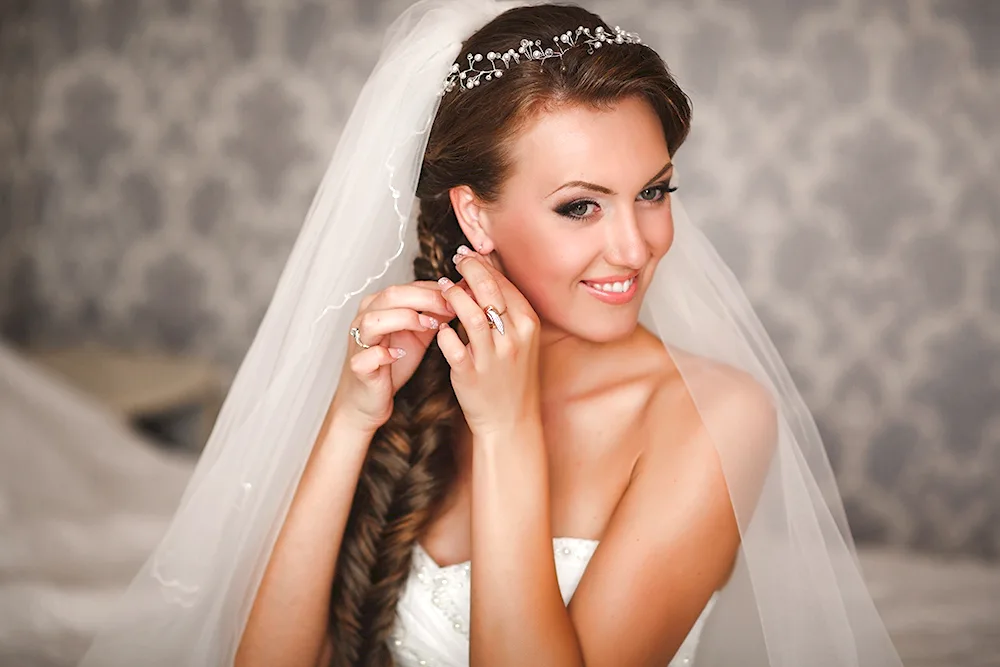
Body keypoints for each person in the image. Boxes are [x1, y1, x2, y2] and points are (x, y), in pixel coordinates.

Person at [79, 2, 904, 666]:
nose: (637, 245)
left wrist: (508, 432)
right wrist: (350, 419)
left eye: (654, 192)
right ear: (475, 211)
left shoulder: (718, 416)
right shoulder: (417, 371)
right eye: (581, 204)